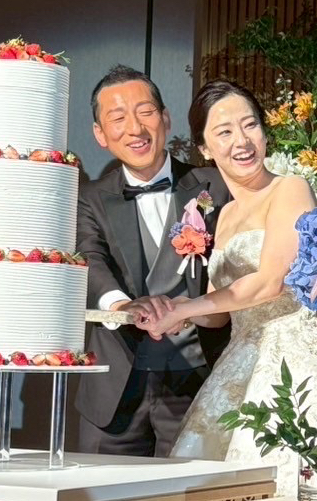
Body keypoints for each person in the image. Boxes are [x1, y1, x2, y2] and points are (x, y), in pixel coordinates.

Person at [132, 78, 317, 493]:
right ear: (204, 147)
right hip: (240, 361)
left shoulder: (289, 189)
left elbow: (270, 282)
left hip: (297, 358)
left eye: (250, 125)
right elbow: (220, 316)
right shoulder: (221, 215)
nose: (241, 141)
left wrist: (185, 307)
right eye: (224, 132)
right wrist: (173, 315)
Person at [75, 66, 230, 456]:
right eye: (118, 118)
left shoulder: (215, 186)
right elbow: (89, 259)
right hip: (114, 388)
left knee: (187, 494)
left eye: (145, 112)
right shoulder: (89, 198)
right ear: (100, 134)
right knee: (100, 495)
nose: (135, 128)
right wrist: (121, 306)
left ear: (165, 118)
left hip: (197, 381)